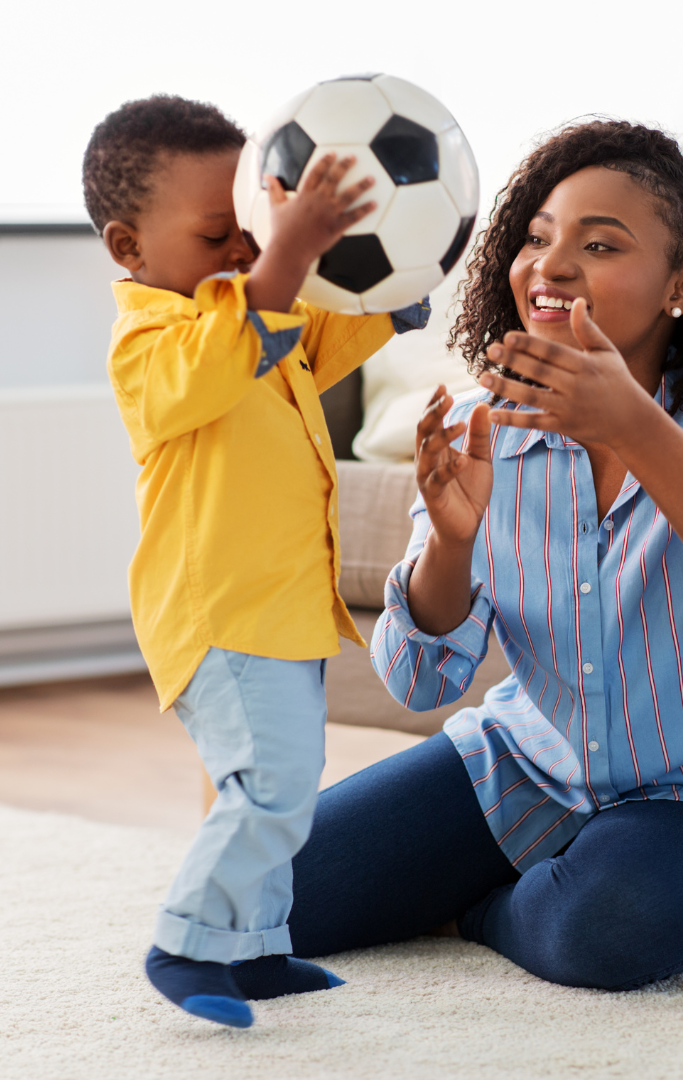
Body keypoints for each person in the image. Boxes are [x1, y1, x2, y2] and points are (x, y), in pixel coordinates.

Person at [286, 120, 683, 991]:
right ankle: (538, 873)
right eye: (537, 239)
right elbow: (418, 682)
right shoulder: (489, 420)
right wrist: (451, 541)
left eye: (600, 243)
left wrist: (633, 425)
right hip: (523, 763)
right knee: (274, 897)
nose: (550, 264)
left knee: (607, 928)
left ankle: (487, 908)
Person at [83, 95, 428, 1027]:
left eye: (251, 229)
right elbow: (233, 346)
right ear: (129, 249)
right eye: (215, 237)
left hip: (280, 607)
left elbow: (317, 332)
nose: (243, 252)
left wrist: (395, 274)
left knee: (283, 791)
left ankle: (258, 951)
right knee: (268, 788)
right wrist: (287, 249)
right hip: (220, 609)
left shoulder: (255, 318)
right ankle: (187, 941)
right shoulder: (151, 344)